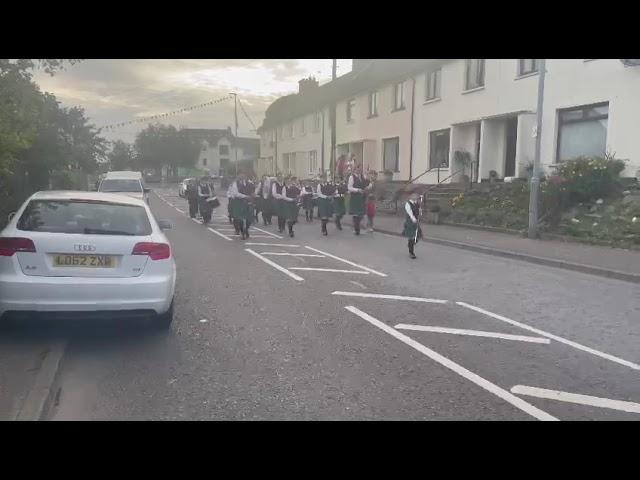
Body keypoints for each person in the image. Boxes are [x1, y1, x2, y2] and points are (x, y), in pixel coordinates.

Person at [228, 170, 254, 240]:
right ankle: (242, 233)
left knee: (249, 219)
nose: (242, 176)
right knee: (240, 219)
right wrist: (245, 196)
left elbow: (253, 191)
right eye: (241, 174)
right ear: (238, 175)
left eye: (244, 174)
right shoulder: (235, 183)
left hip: (248, 202)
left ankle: (246, 229)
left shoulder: (250, 183)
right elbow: (235, 194)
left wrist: (252, 196)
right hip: (239, 203)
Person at [347, 164, 371, 235]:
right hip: (355, 197)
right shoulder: (352, 177)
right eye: (359, 169)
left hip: (362, 198)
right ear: (355, 169)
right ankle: (357, 229)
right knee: (356, 214)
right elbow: (349, 187)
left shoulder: (363, 176)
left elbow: (368, 184)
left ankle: (356, 226)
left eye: (361, 169)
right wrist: (357, 190)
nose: (360, 170)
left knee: (361, 214)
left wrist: (368, 187)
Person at [402, 193, 423, 259]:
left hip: (416, 222)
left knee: (418, 235)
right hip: (410, 222)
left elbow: (419, 213)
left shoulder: (417, 203)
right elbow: (410, 212)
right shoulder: (408, 204)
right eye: (414, 196)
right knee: (412, 236)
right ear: (411, 197)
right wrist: (413, 219)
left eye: (416, 196)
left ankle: (410, 244)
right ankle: (411, 252)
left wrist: (420, 211)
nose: (416, 197)